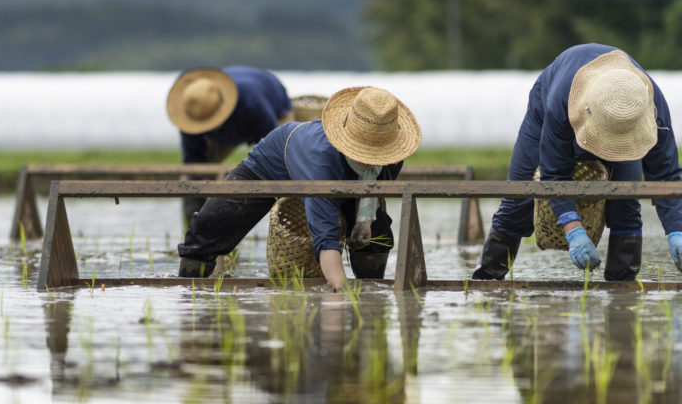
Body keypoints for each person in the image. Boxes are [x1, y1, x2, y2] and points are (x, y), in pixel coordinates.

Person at [473, 43, 682, 281]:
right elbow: (554, 174)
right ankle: (487, 278)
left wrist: (677, 230)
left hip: (617, 116)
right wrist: (574, 230)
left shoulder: (651, 105)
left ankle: (622, 291)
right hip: (553, 109)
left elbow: (666, 175)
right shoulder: (562, 100)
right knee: (517, 200)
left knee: (625, 202)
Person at [177, 86, 422, 290]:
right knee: (207, 228)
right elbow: (325, 239)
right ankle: (187, 289)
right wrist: (342, 292)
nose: (370, 159)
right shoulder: (321, 161)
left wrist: (365, 221)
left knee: (378, 234)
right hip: (268, 168)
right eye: (364, 152)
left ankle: (371, 285)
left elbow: (372, 188)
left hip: (343, 175)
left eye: (377, 153)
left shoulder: (394, 154)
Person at [167, 66, 293, 223]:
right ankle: (194, 234)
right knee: (188, 179)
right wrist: (203, 183)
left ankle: (289, 227)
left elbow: (272, 146)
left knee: (285, 166)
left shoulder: (251, 102)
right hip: (228, 130)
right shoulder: (192, 109)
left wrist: (243, 179)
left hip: (275, 112)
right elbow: (193, 160)